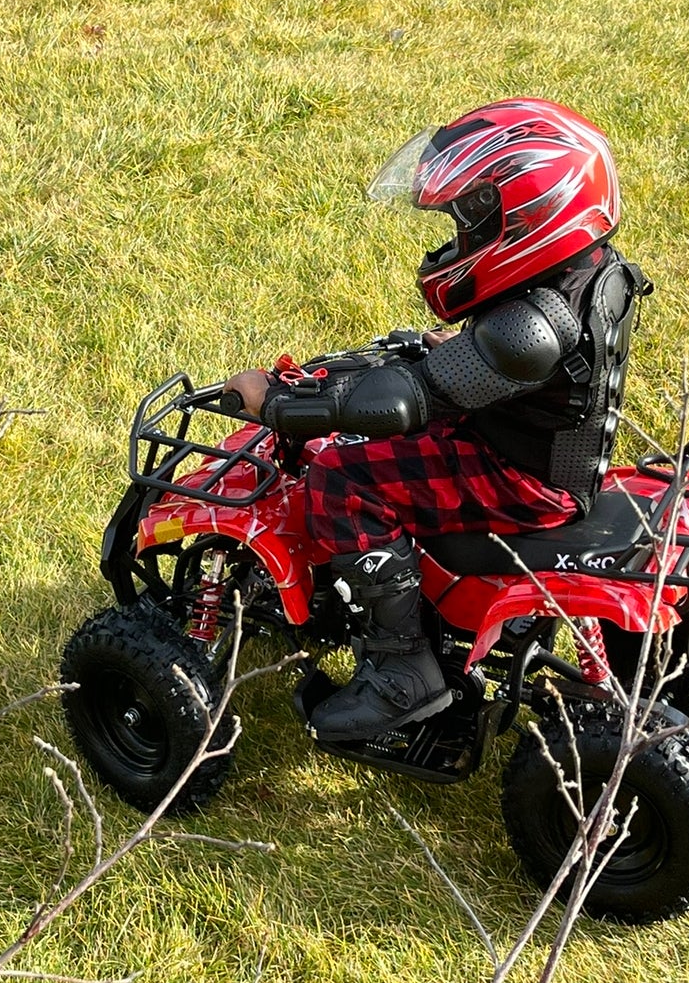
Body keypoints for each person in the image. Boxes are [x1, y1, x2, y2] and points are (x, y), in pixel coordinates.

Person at [224, 98, 650, 744]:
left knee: (343, 476)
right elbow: (490, 368)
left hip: (520, 477)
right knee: (386, 454)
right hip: (539, 445)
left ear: (528, 218)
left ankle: (403, 669)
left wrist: (277, 403)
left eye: (468, 223)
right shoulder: (591, 272)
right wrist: (456, 353)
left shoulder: (530, 327)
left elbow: (402, 401)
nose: (454, 241)